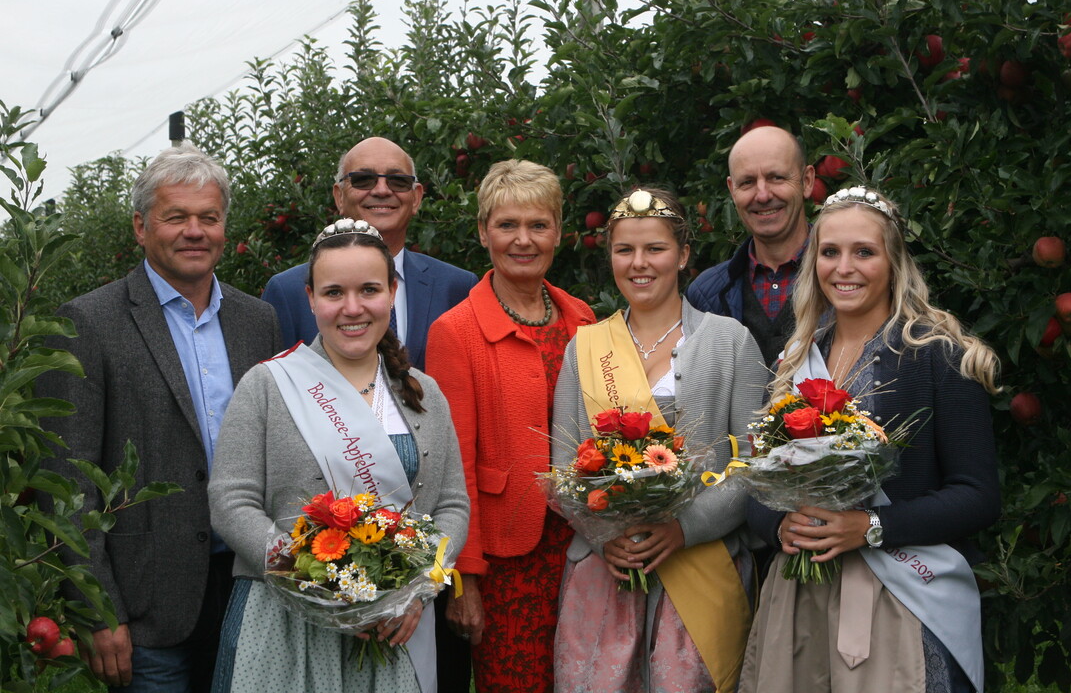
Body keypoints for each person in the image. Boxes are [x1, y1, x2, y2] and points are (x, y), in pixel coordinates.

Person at [37, 142, 282, 692]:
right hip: (146, 605)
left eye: (208, 217)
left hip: (251, 586)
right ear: (141, 228)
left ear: (223, 227)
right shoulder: (89, 323)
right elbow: (69, 481)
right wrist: (99, 609)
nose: (194, 231)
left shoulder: (257, 321)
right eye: (176, 217)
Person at [739, 187, 1001, 693]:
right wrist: (778, 526)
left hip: (903, 596)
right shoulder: (794, 359)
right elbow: (758, 482)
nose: (844, 268)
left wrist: (869, 525)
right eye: (830, 252)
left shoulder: (939, 356)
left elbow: (979, 496)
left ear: (893, 261)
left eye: (864, 252)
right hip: (802, 595)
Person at [208, 218, 470, 693]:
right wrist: (316, 585)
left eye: (369, 290)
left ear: (393, 292)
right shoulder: (267, 386)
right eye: (333, 293)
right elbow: (232, 501)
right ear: (310, 298)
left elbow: (452, 505)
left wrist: (416, 593)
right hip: (288, 622)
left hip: (395, 624)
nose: (352, 308)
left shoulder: (423, 393)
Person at [550, 188, 768, 693]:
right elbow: (562, 470)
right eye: (625, 250)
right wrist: (607, 537)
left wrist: (683, 528)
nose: (639, 263)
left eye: (655, 249)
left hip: (701, 565)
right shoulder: (584, 347)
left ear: (684, 255)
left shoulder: (729, 342)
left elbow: (755, 463)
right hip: (607, 568)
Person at [425, 159, 596, 693]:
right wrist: (463, 581)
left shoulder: (584, 320)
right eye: (507, 225)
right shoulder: (455, 332)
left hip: (586, 547)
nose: (523, 240)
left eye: (538, 225)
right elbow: (451, 468)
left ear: (559, 234)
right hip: (504, 562)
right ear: (483, 232)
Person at [261, 136, 477, 372]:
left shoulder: (457, 287)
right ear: (339, 196)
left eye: (398, 181)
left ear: (416, 198)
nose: (382, 190)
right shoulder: (287, 292)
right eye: (364, 180)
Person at [686, 125, 815, 365]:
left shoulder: (847, 278)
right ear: (732, 190)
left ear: (807, 181)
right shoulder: (705, 295)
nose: (763, 195)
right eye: (747, 182)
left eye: (776, 177)